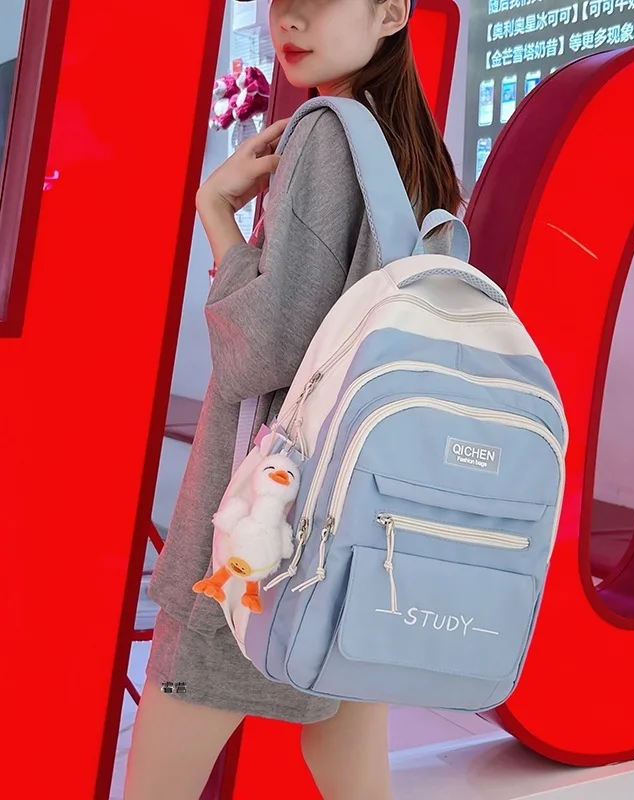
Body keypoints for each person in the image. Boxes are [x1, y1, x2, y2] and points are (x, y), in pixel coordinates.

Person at [123, 0, 463, 797]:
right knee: (350, 767)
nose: (292, 18)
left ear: (391, 13)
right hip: (358, 522)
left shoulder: (324, 131)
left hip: (263, 522)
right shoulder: (416, 151)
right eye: (282, 1)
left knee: (163, 777)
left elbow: (264, 346)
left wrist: (217, 212)